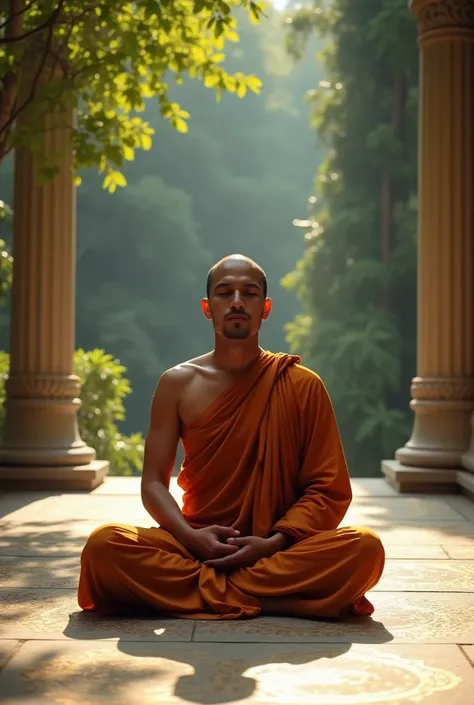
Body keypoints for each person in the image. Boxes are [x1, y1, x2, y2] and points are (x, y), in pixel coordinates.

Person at [78, 254, 385, 620]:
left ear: (265, 308)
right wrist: (192, 538)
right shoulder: (177, 383)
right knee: (104, 546)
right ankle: (274, 599)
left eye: (249, 293)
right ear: (208, 308)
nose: (237, 301)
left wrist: (274, 543)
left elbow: (327, 488)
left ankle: (203, 591)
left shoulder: (303, 385)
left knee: (365, 548)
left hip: (276, 548)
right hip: (195, 543)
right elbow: (153, 484)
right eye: (225, 293)